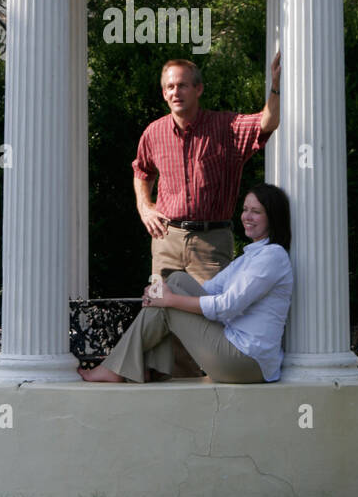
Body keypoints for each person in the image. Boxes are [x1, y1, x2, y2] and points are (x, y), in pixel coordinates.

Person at [79, 183, 293, 384]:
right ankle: (146, 367)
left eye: (256, 211)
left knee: (167, 304)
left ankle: (117, 369)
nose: (247, 216)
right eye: (245, 209)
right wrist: (159, 292)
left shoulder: (271, 257)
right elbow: (209, 289)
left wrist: (169, 299)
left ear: (272, 217)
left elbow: (227, 306)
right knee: (175, 280)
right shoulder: (251, 257)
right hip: (238, 352)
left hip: (245, 361)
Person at [133, 52, 282, 287]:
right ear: (164, 93)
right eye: (170, 87)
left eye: (182, 85)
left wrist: (275, 87)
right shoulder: (154, 132)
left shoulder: (226, 128)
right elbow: (142, 171)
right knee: (161, 309)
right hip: (166, 240)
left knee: (210, 314)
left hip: (210, 243)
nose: (175, 92)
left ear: (198, 89)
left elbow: (268, 122)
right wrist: (144, 207)